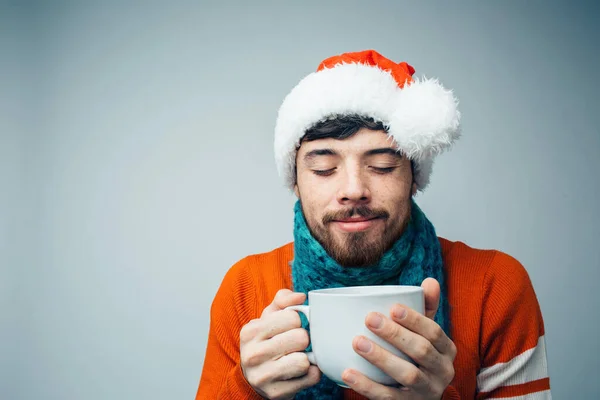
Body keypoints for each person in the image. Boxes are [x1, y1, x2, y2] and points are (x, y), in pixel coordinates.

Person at [195, 50, 551, 399]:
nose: (353, 190)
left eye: (382, 165)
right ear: (295, 182)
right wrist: (246, 388)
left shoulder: (495, 285)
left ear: (414, 177)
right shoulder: (245, 289)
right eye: (323, 168)